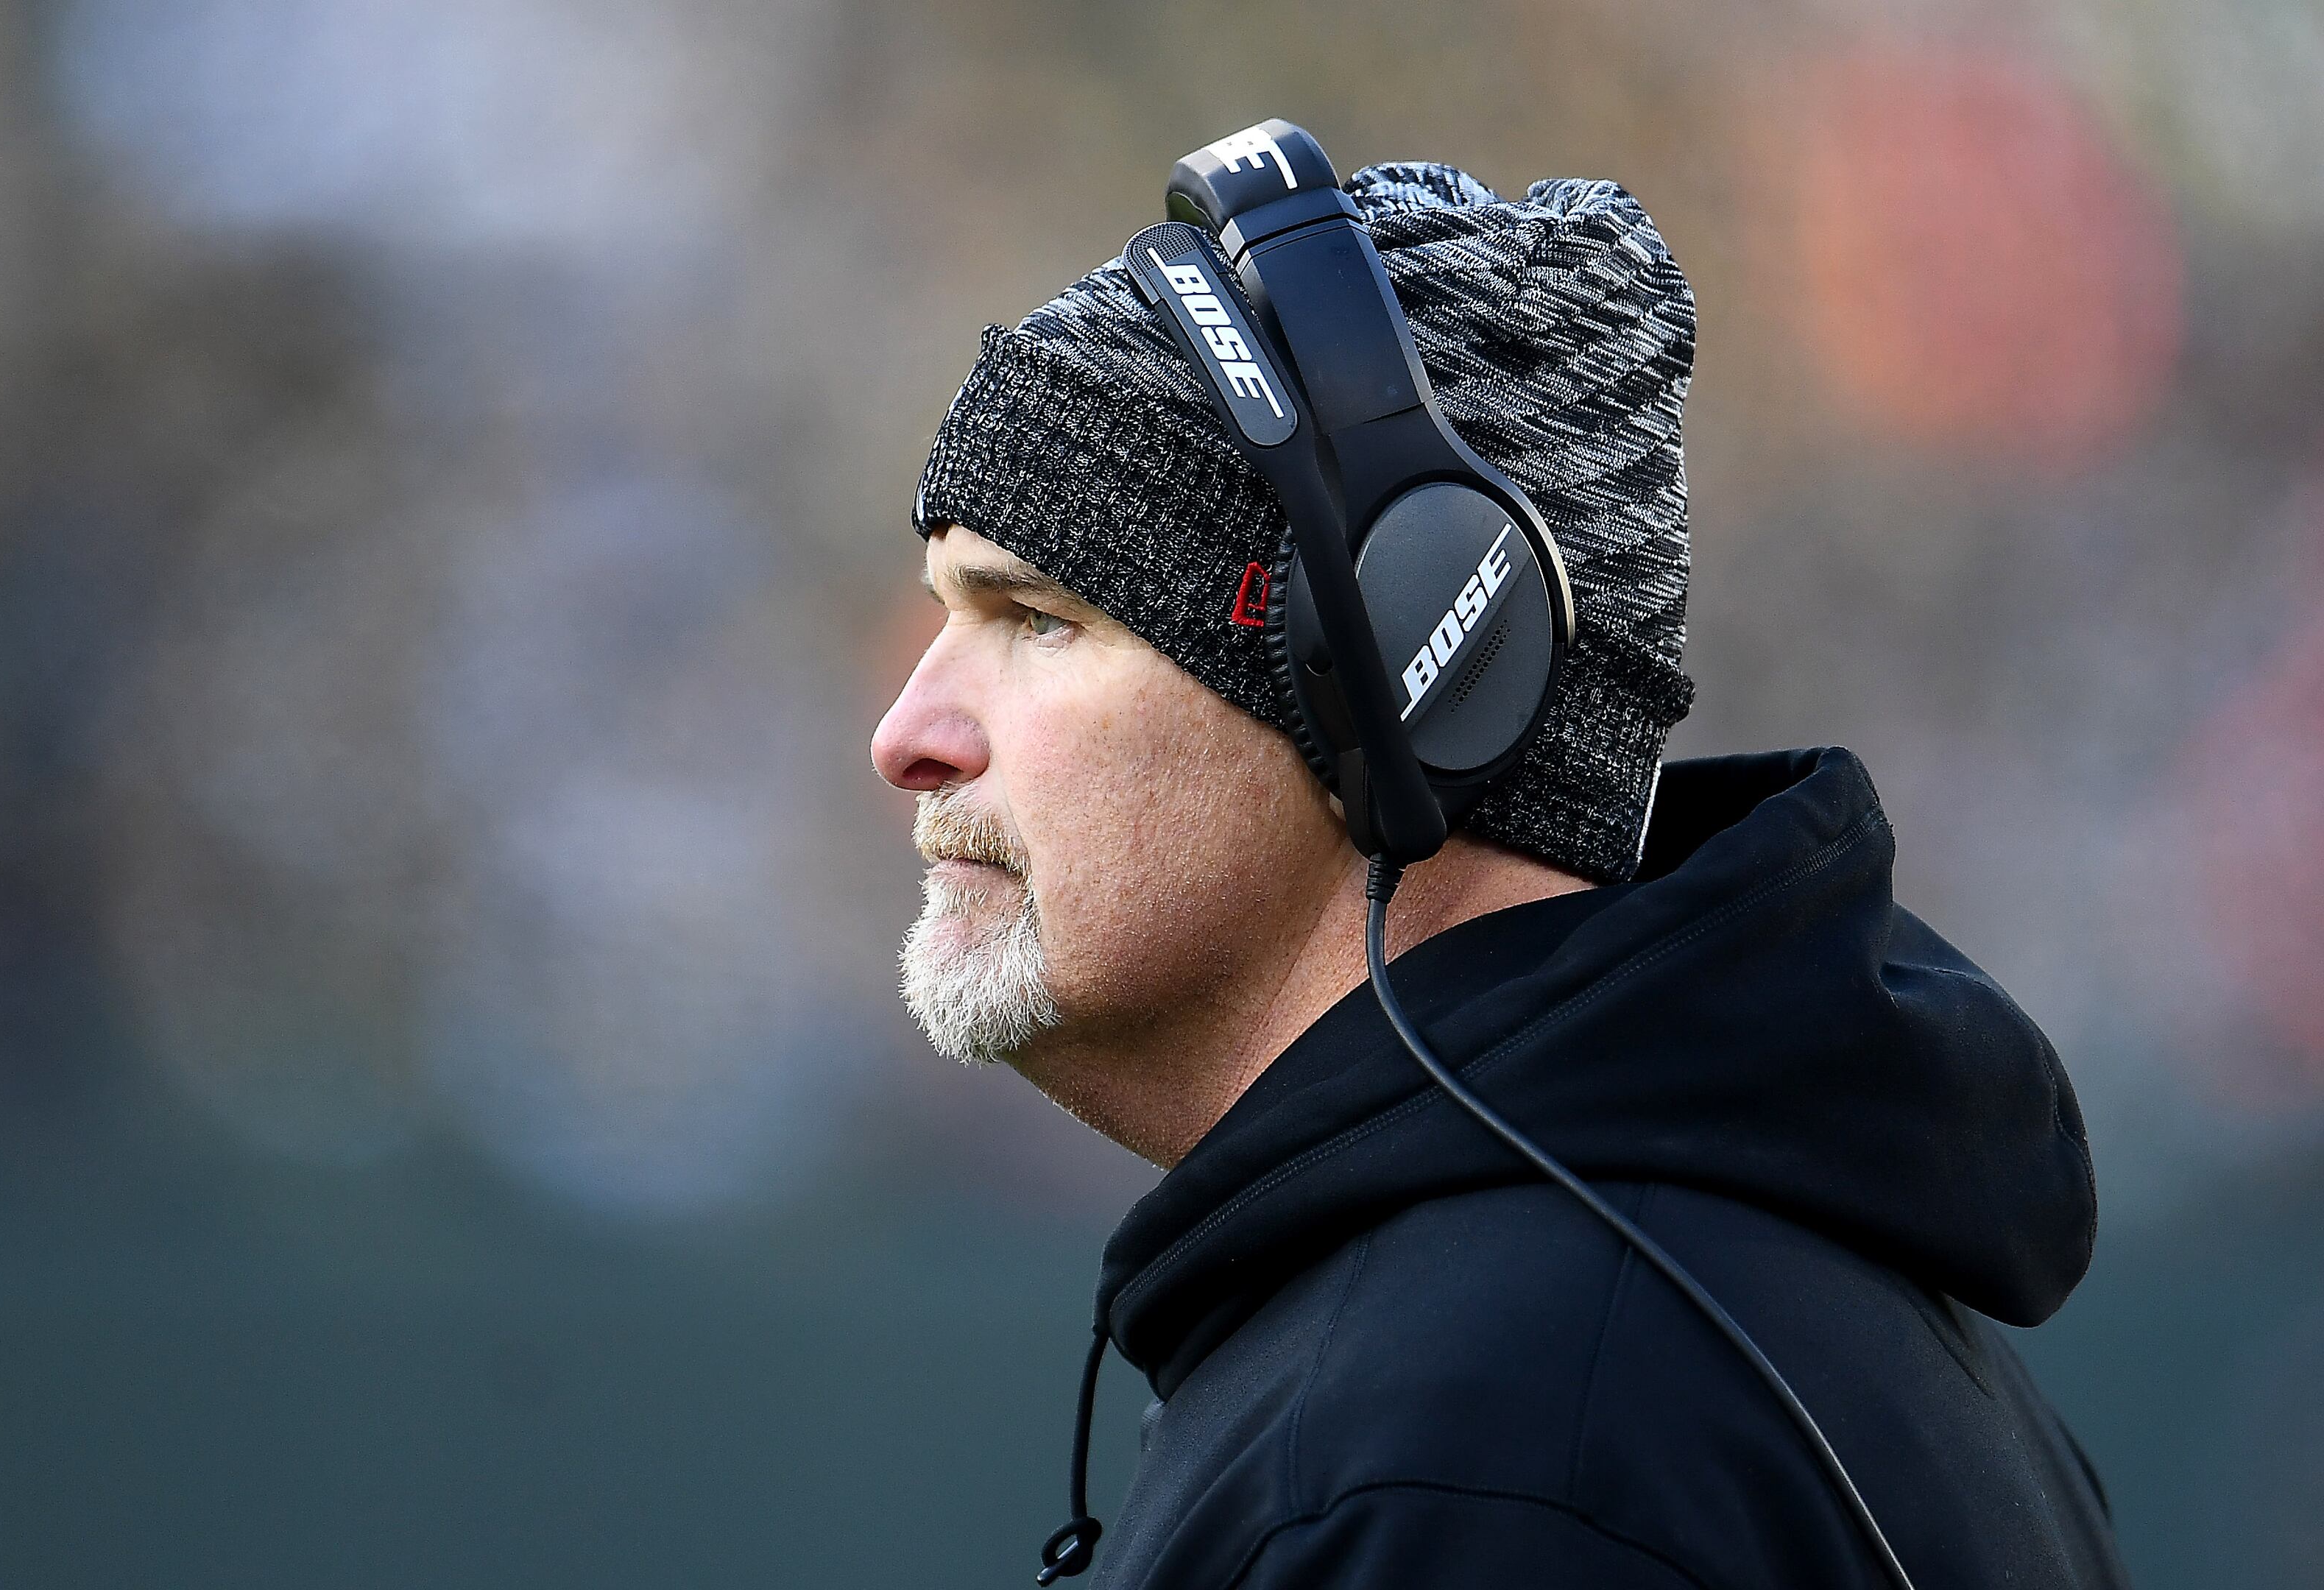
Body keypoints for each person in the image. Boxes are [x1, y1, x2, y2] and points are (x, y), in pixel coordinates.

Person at [871, 158, 2128, 1589]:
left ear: (1403, 677)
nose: (906, 737)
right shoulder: (1749, 1337)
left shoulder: (1469, 1458)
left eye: (1036, 619)